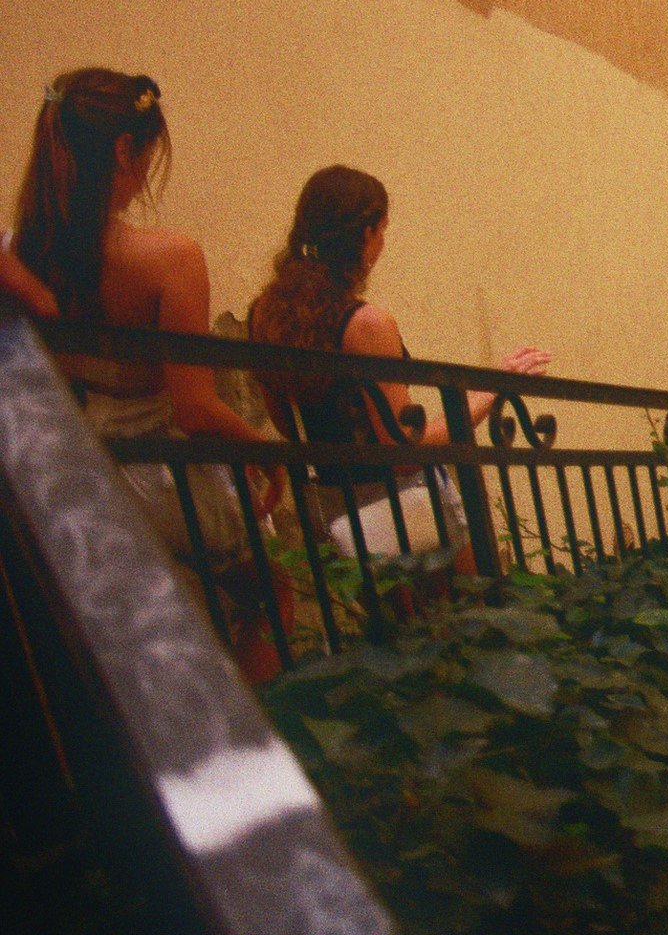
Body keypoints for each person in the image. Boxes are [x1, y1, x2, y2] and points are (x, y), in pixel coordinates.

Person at [9, 69, 287, 680]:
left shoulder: (20, 253)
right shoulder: (169, 258)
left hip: (86, 472)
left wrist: (41, 299)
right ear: (121, 151)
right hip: (165, 478)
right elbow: (194, 408)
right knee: (273, 588)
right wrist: (266, 452)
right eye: (147, 156)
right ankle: (266, 729)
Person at [249, 165, 550, 570]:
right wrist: (493, 389)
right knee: (469, 612)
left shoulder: (266, 313)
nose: (383, 243)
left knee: (393, 627)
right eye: (382, 230)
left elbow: (285, 421)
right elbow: (402, 445)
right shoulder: (366, 324)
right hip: (399, 502)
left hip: (330, 505)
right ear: (364, 233)